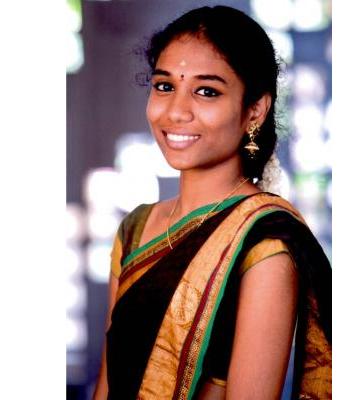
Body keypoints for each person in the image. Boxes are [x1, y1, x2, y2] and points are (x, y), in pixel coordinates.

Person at [93, 6, 331, 400]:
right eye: (164, 86)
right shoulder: (135, 229)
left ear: (254, 110)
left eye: (207, 91)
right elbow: (107, 384)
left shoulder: (264, 243)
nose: (176, 111)